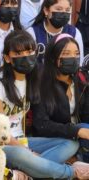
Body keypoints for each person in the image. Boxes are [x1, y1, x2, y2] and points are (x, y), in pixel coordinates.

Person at [0, 30, 89, 179]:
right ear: (7, 58)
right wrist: (27, 151)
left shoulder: (31, 79)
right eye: (18, 53)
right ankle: (71, 172)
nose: (25, 57)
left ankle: (31, 172)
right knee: (21, 154)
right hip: (1, 144)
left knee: (71, 143)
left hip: (23, 139)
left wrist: (29, 152)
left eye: (29, 51)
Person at [32, 34, 89, 164]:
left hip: (78, 135)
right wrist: (77, 131)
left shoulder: (81, 81)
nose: (73, 58)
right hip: (53, 138)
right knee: (76, 139)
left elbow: (86, 116)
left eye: (76, 54)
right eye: (66, 53)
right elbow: (41, 124)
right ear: (53, 57)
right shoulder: (41, 83)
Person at [27, 0, 84, 65]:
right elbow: (29, 64)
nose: (63, 13)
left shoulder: (74, 32)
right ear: (46, 11)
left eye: (67, 10)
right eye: (59, 9)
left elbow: (79, 63)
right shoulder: (32, 32)